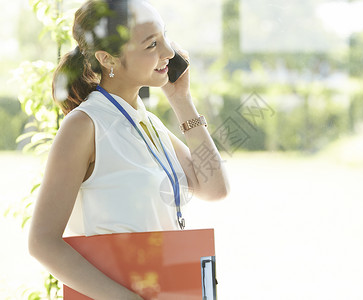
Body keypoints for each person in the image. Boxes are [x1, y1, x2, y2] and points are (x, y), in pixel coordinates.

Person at [27, 0, 229, 299]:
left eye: (164, 37)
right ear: (107, 59)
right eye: (151, 45)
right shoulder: (84, 126)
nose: (169, 53)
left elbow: (215, 187)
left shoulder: (148, 123)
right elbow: (42, 242)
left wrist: (182, 101)